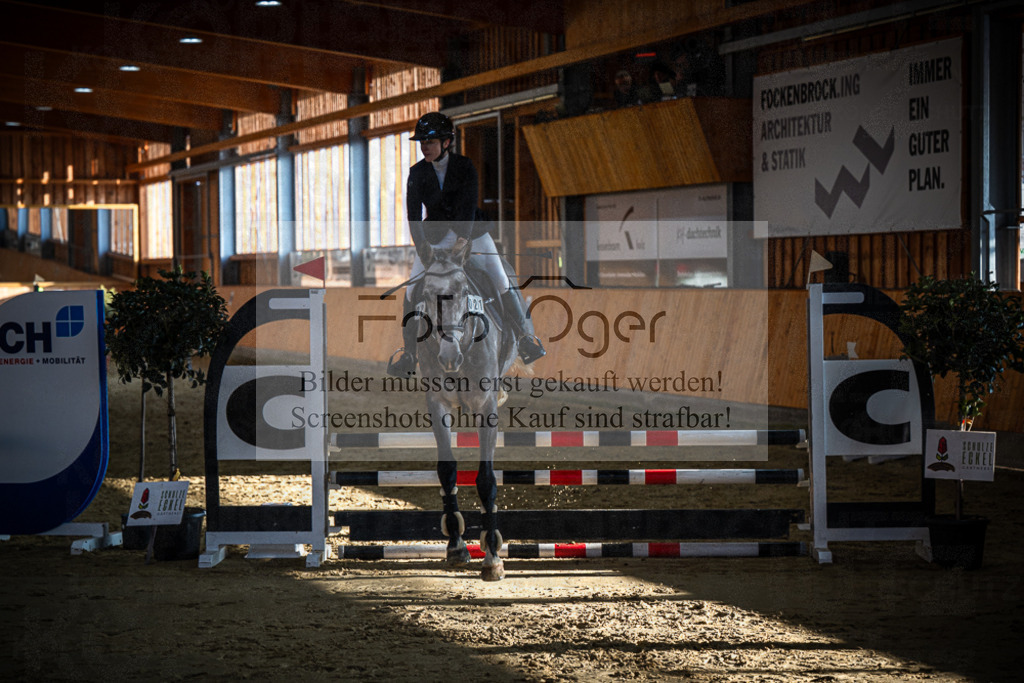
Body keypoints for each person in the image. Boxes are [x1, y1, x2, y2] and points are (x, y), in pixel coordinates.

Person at [386, 112, 546, 377]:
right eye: (422, 142)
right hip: (434, 241)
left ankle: (524, 340)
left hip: (472, 234)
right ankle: (409, 354)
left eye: (430, 141)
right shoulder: (417, 173)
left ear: (447, 142)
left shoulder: (465, 167)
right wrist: (423, 247)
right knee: (412, 291)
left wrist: (463, 240)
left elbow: (468, 207)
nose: (425, 146)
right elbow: (414, 216)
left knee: (500, 278)